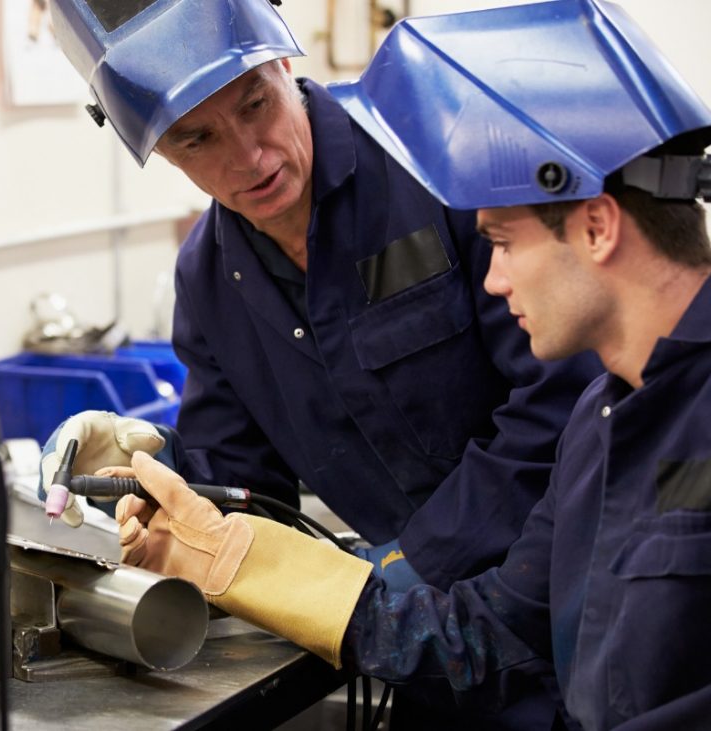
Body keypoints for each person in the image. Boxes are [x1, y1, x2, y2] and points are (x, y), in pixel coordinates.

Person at [111, 1, 711, 729]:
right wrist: (163, 482)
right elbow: (485, 635)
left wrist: (400, 567)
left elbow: (552, 407)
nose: (250, 156)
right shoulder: (602, 430)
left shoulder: (431, 168)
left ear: (596, 225)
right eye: (198, 138)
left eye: (506, 244)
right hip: (464, 658)